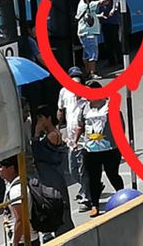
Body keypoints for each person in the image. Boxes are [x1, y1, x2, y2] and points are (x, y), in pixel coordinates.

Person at [75, 80, 125, 217]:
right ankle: (94, 205)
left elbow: (120, 125)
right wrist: (75, 141)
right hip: (91, 149)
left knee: (112, 174)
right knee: (93, 178)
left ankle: (121, 194)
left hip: (110, 148)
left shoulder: (110, 106)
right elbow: (81, 126)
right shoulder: (84, 107)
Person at [31, 105, 75, 237]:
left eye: (41, 118)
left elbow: (38, 153)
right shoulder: (51, 134)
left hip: (53, 177)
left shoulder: (52, 135)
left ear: (48, 118)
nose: (39, 122)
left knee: (58, 205)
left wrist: (36, 134)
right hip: (49, 177)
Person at [57, 66, 91, 212]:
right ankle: (89, 186)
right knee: (73, 171)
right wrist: (58, 127)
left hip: (84, 141)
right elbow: (60, 110)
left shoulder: (87, 99)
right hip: (71, 140)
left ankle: (86, 197)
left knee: (83, 170)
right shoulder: (64, 92)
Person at [0, 156, 40, 246]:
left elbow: (20, 220)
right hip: (26, 239)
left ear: (11, 168)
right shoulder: (16, 183)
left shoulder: (16, 190)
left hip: (24, 241)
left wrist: (14, 243)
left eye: (1, 166)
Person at [75, 0, 117, 79]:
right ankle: (92, 73)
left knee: (86, 54)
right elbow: (101, 2)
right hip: (89, 33)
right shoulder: (88, 5)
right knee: (92, 54)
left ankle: (88, 72)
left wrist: (99, 15)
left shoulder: (81, 6)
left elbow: (88, 16)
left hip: (83, 33)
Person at [94, 0, 122, 67]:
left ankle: (120, 60)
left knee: (115, 41)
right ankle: (111, 61)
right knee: (107, 43)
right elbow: (96, 2)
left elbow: (116, 3)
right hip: (104, 22)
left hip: (113, 22)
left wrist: (113, 10)